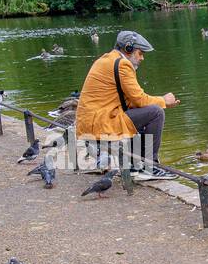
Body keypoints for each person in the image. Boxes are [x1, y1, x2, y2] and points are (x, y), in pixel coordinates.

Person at [75, 30, 179, 176]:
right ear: (128, 49)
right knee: (156, 112)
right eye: (140, 53)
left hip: (90, 125)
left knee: (145, 113)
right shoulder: (122, 64)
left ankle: (136, 163)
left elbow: (131, 101)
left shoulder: (106, 59)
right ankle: (149, 167)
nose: (142, 58)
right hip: (101, 124)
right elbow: (139, 99)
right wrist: (164, 101)